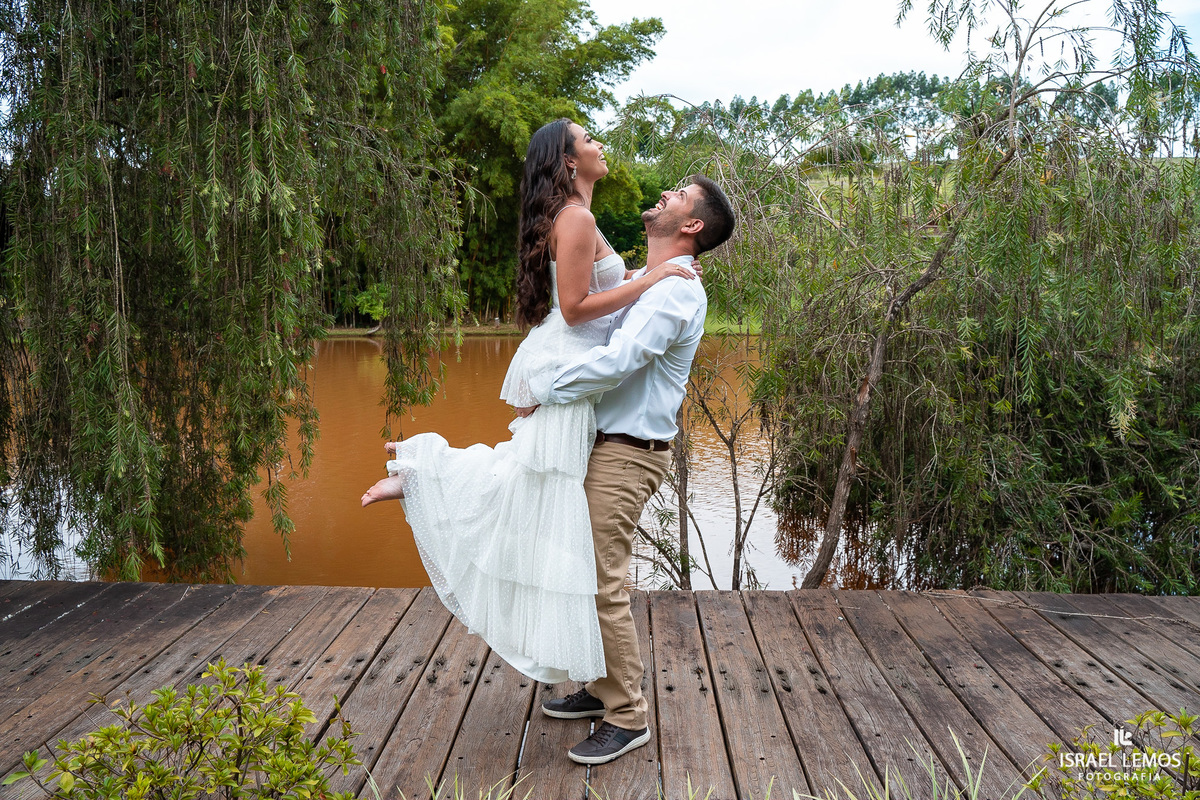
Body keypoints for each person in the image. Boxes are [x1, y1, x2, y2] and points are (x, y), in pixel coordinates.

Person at [360, 118, 697, 684]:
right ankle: (423, 473)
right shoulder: (577, 217)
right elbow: (574, 307)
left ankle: (421, 473)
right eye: (588, 139)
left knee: (534, 482)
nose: (598, 144)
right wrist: (652, 277)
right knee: (534, 481)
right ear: (569, 161)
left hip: (569, 362)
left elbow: (598, 286)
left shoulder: (578, 216)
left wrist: (645, 273)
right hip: (566, 358)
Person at [528, 173, 736, 765]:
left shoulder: (675, 291)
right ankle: (600, 690)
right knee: (588, 574)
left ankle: (628, 715)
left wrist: (542, 389)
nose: (666, 194)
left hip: (627, 452)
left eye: (679, 195)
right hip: (605, 445)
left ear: (691, 226)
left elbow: (617, 362)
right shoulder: (653, 284)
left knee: (603, 582)